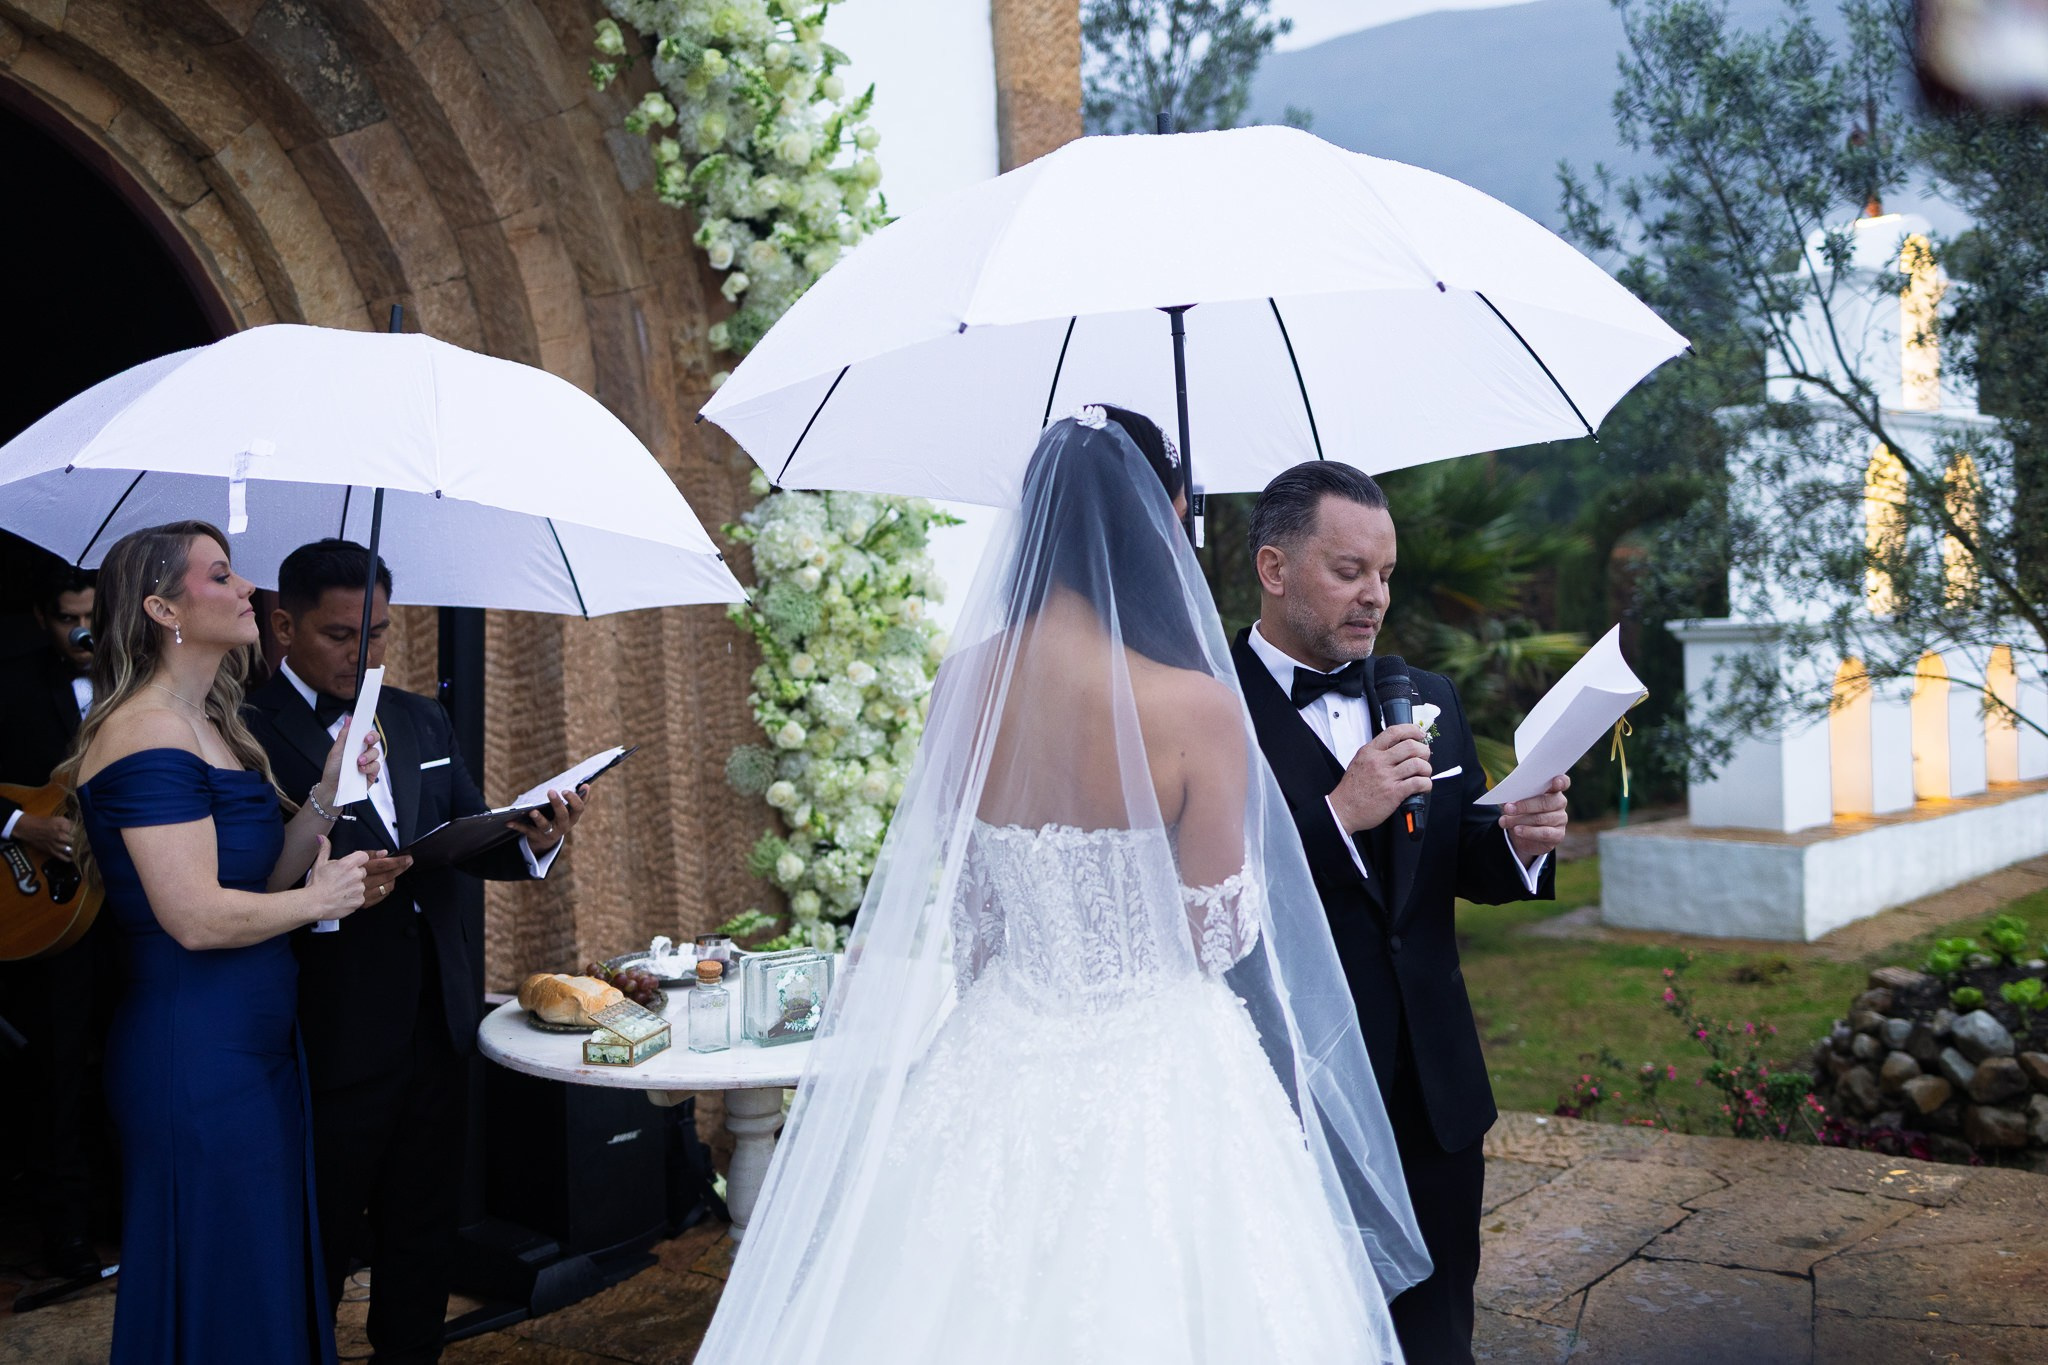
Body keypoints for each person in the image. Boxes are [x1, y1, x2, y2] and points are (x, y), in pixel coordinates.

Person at [696, 408, 1430, 1364]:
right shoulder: (1197, 708)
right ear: (1156, 521)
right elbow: (1218, 934)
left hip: (997, 1044)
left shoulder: (965, 682)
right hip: (1161, 1059)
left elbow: (978, 916)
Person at [1229, 463, 1570, 1365]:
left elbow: (1453, 864)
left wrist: (1522, 843)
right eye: (1349, 571)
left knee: (1438, 1332)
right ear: (1274, 567)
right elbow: (1203, 897)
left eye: (1385, 574)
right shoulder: (1202, 707)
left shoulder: (1428, 697)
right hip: (1292, 1088)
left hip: (1435, 1092)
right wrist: (1339, 812)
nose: (1375, 596)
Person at [244, 539, 588, 1365]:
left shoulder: (420, 716)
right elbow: (246, 880)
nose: (364, 656)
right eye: (339, 636)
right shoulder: (245, 730)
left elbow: (465, 833)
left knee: (422, 1235)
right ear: (283, 625)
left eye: (382, 634)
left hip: (437, 1016)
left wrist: (535, 836)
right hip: (325, 1030)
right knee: (315, 1240)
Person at [60, 520, 377, 1364]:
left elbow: (258, 887)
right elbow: (195, 918)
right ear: (163, 606)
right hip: (193, 1049)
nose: (248, 591)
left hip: (255, 1041)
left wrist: (325, 797)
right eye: (223, 576)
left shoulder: (213, 723)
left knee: (259, 1273)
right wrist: (322, 904)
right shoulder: (141, 731)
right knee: (223, 1282)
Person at [0, 563, 106, 1284]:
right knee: (58, 1073)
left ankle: (125, 1215)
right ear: (42, 619)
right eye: (68, 619)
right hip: (51, 910)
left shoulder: (141, 678)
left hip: (132, 903)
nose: (82, 632)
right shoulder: (8, 684)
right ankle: (65, 1234)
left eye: (91, 616)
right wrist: (19, 823)